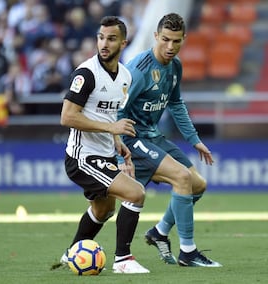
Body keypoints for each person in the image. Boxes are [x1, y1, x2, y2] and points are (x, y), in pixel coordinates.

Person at [118, 13, 222, 268]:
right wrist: (122, 151)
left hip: (154, 136)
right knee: (182, 178)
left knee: (198, 184)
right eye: (165, 40)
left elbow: (175, 103)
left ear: (183, 39)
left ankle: (160, 232)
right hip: (135, 139)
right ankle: (188, 252)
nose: (170, 47)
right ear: (155, 36)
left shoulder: (175, 66)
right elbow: (117, 111)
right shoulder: (139, 70)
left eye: (176, 41)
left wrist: (193, 139)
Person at [57, 16, 149, 274]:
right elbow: (67, 117)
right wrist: (112, 129)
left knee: (104, 208)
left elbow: (107, 115)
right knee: (136, 193)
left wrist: (117, 141)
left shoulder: (126, 77)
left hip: (106, 153)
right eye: (101, 37)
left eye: (110, 38)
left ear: (123, 42)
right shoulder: (86, 74)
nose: (104, 43)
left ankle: (72, 253)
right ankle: (123, 260)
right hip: (82, 157)